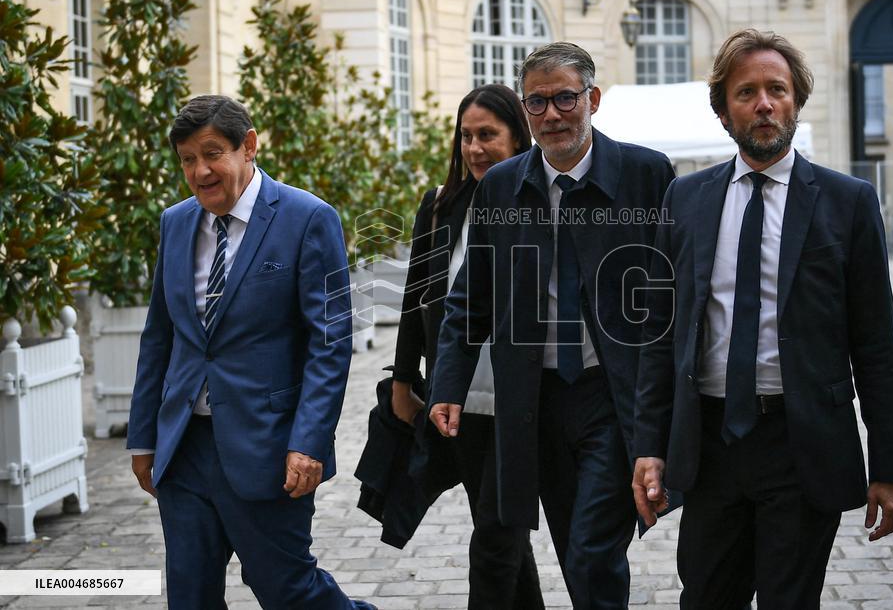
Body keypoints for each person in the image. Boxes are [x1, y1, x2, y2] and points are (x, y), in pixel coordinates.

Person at [632, 29, 893, 609]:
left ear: (796, 100)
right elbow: (661, 334)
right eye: (746, 92)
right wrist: (649, 445)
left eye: (777, 90)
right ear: (723, 111)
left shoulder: (848, 202)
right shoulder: (685, 199)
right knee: (706, 598)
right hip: (709, 445)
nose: (764, 103)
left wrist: (889, 465)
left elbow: (875, 344)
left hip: (801, 442)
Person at [429, 42, 675, 609]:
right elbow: (471, 296)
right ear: (525, 110)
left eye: (565, 98)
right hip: (534, 400)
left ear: (592, 98)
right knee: (573, 550)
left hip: (610, 395)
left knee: (592, 549)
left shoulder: (646, 174)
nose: (552, 114)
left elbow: (674, 294)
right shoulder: (500, 186)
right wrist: (448, 382)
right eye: (536, 102)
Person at [126, 95, 374, 610]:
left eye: (212, 154)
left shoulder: (308, 218)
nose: (200, 171)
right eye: (188, 160)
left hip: (269, 447)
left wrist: (308, 442)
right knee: (190, 597)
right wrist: (144, 437)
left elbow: (329, 344)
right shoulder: (175, 222)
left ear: (249, 146)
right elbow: (159, 336)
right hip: (185, 446)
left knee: (288, 591)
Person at [389, 84, 545, 609]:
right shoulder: (439, 206)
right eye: (466, 136)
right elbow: (416, 296)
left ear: (517, 137)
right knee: (499, 530)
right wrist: (404, 380)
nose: (475, 148)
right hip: (460, 401)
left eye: (488, 135)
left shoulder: (540, 201)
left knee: (497, 537)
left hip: (524, 399)